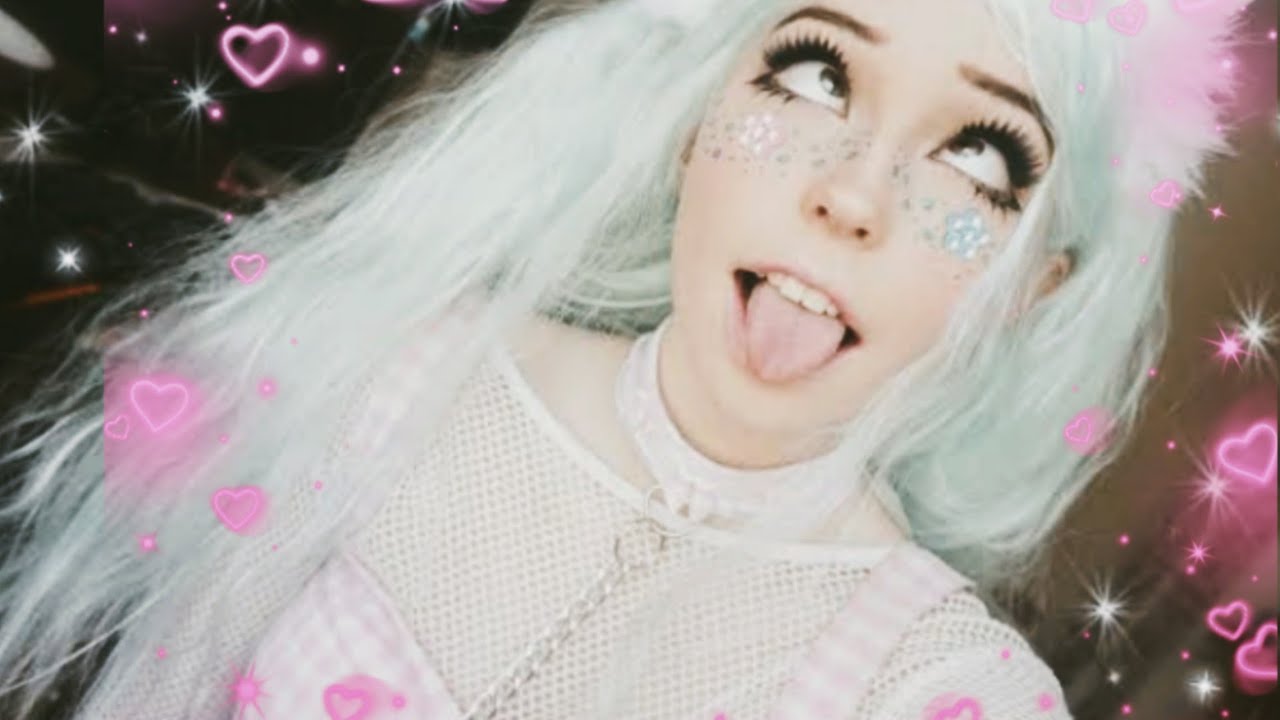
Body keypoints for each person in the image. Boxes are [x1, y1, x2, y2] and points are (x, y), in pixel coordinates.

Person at [0, 0, 1258, 717]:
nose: (851, 195)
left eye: (978, 157)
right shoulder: (393, 370)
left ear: (1032, 288)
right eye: (815, 75)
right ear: (699, 119)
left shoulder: (940, 688)